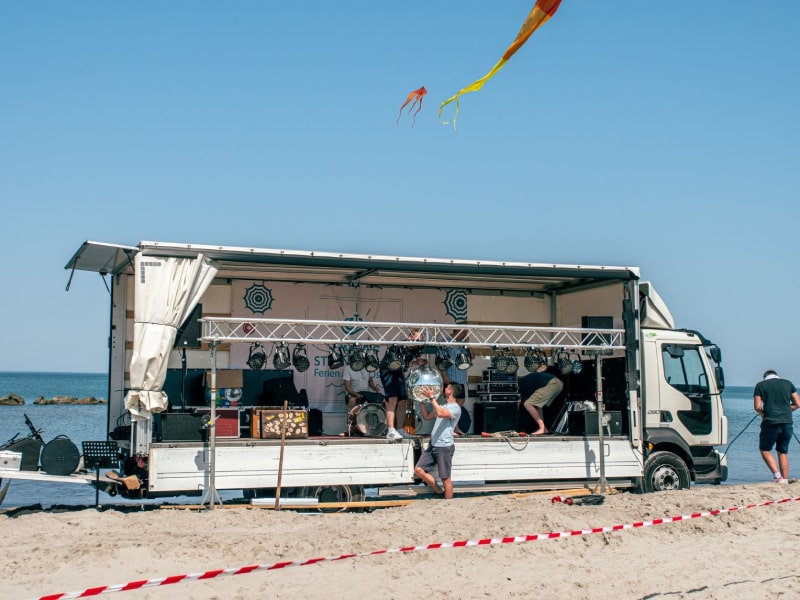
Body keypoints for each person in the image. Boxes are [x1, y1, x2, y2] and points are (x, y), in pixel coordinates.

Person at [414, 382, 462, 499]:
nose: (444, 388)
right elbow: (427, 416)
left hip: (444, 446)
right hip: (433, 445)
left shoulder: (455, 408)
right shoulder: (443, 405)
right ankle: (439, 492)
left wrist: (431, 397)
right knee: (419, 470)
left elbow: (440, 414)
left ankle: (448, 502)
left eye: (447, 387)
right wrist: (421, 400)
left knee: (445, 478)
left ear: (450, 391)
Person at [753, 369, 800, 483]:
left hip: (771, 422)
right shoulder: (788, 383)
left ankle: (777, 475)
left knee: (764, 449)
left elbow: (757, 407)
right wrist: (784, 410)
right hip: (787, 422)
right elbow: (797, 404)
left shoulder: (760, 385)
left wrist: (764, 414)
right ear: (776, 376)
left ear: (765, 377)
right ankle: (784, 479)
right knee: (782, 451)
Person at [518, 362, 563, 435]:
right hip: (558, 383)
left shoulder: (520, 385)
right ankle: (544, 428)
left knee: (527, 404)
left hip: (551, 383)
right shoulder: (527, 380)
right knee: (538, 405)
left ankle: (542, 428)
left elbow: (521, 402)